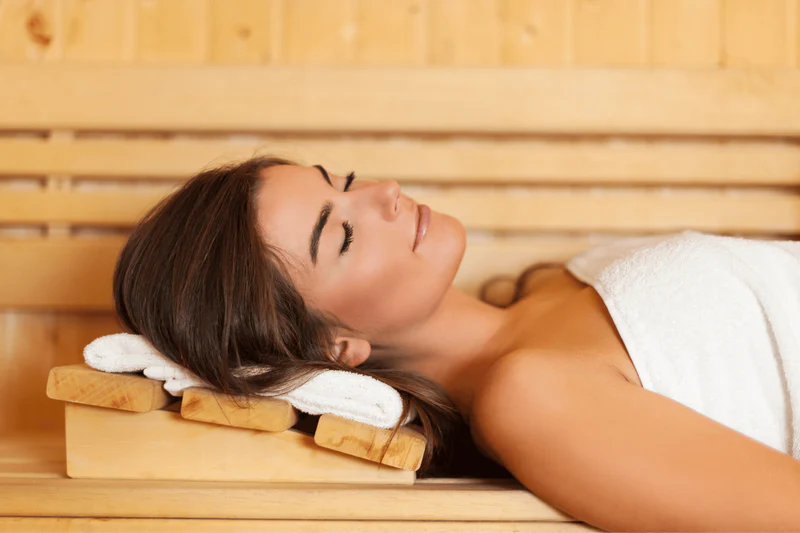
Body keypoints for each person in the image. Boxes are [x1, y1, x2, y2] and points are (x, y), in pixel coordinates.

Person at [113, 155, 800, 532]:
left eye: (345, 183)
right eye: (343, 235)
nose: (385, 193)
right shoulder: (530, 399)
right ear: (336, 347)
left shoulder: (556, 287)